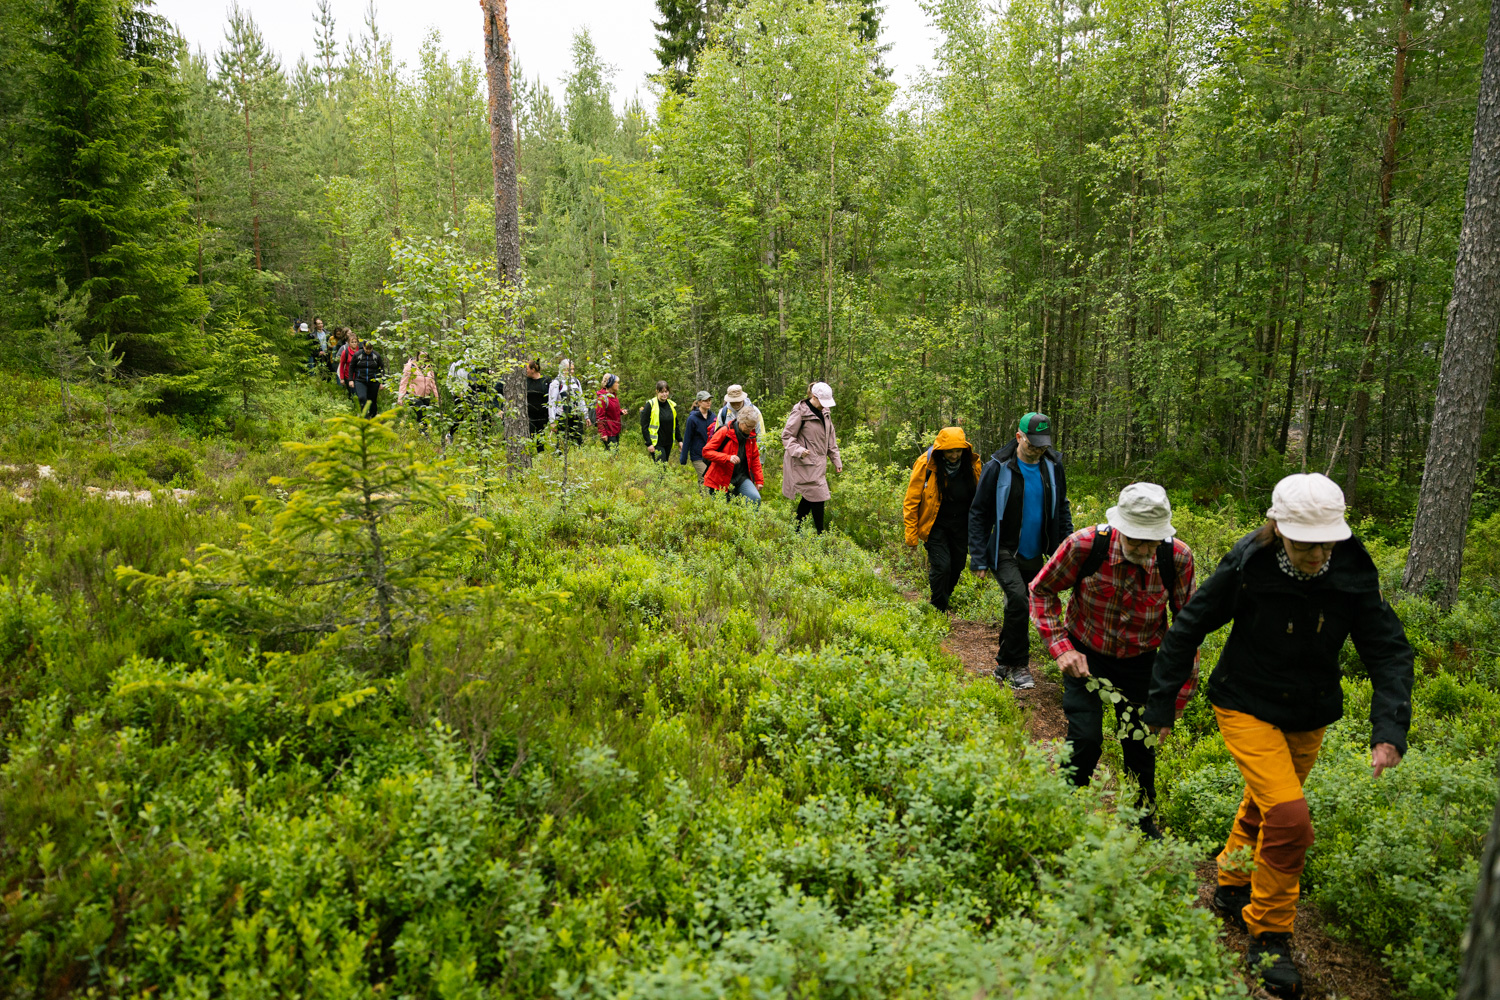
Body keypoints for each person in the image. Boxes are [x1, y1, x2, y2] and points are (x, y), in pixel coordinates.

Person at [1144, 473, 1414, 998]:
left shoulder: (1353, 571)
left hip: (1308, 712)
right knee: (1289, 818)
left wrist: (1389, 728)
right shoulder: (1250, 565)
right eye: (1304, 544)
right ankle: (1269, 934)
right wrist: (1160, 703)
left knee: (1267, 805)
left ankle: (1231, 880)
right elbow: (1189, 626)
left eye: (1325, 544)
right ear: (1278, 530)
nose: (1316, 555)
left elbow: (1388, 650)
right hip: (1244, 701)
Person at [1029, 483, 1197, 840]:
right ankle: (1063, 805)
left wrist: (1173, 701)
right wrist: (1062, 648)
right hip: (1085, 655)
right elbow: (1041, 590)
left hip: (1142, 661)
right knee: (1086, 739)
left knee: (1140, 746)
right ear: (1119, 526)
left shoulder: (1177, 558)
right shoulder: (1084, 545)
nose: (1140, 549)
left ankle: (1141, 819)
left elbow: (1186, 632)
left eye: (1149, 541)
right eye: (1133, 539)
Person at [968, 411, 1073, 691]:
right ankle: (1019, 666)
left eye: (1043, 445)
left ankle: (1003, 662)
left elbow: (1061, 507)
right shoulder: (997, 467)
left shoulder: (1052, 466)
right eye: (1032, 444)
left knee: (1022, 607)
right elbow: (979, 513)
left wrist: (1067, 546)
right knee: (1018, 600)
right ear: (1019, 437)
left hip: (1036, 551)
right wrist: (978, 558)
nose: (1038, 450)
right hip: (1004, 549)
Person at [903, 427, 982, 612]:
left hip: (962, 525)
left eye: (958, 450)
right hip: (935, 525)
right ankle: (938, 608)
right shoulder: (926, 464)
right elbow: (911, 500)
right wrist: (911, 536)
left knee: (957, 565)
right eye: (950, 451)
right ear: (941, 450)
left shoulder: (972, 465)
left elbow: (982, 498)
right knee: (942, 566)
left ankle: (943, 598)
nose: (954, 455)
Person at [781, 382, 842, 534]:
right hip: (803, 462)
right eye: (822, 401)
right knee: (818, 495)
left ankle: (796, 530)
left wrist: (836, 459)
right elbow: (787, 436)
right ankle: (821, 534)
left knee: (810, 497)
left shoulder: (825, 412)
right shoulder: (800, 412)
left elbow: (831, 439)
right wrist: (799, 450)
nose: (824, 405)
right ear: (814, 397)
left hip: (818, 463)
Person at [702, 405, 765, 506]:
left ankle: (750, 521)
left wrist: (759, 480)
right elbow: (706, 452)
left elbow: (754, 458)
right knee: (722, 510)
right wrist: (727, 457)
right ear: (741, 421)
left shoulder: (751, 436)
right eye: (748, 426)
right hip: (720, 478)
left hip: (741, 478)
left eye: (752, 426)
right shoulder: (725, 431)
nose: (750, 429)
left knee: (755, 498)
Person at [397, 350, 441, 430]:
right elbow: (403, 382)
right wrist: (400, 397)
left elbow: (433, 383)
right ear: (417, 356)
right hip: (412, 395)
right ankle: (424, 433)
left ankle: (423, 434)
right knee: (421, 412)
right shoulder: (410, 366)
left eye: (425, 356)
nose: (423, 358)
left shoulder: (429, 367)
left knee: (425, 416)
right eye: (422, 356)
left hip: (425, 396)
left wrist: (437, 397)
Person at [549, 359, 587, 446]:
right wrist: (552, 421)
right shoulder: (556, 383)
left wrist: (586, 415)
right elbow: (551, 403)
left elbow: (581, 399)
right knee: (562, 443)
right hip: (562, 418)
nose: (572, 371)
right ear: (563, 369)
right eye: (570, 369)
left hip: (576, 417)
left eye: (573, 369)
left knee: (578, 443)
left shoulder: (576, 382)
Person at [640, 380, 680, 463]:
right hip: (656, 443)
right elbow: (644, 425)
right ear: (657, 391)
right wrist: (649, 443)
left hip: (668, 442)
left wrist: (679, 440)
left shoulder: (671, 405)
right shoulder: (650, 405)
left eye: (666, 391)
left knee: (664, 465)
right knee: (661, 468)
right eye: (662, 392)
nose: (664, 394)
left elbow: (676, 425)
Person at [680, 390, 715, 477]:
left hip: (711, 454)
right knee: (705, 477)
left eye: (709, 400)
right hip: (698, 455)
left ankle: (702, 491)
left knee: (706, 480)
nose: (708, 403)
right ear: (699, 402)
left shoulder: (713, 417)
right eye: (705, 401)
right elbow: (687, 438)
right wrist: (683, 458)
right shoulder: (692, 419)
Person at [349, 338, 386, 417]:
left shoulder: (376, 356)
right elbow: (351, 367)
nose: (368, 351)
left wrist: (382, 382)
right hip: (360, 380)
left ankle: (373, 416)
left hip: (373, 381)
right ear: (363, 346)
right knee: (362, 398)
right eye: (366, 349)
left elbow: (382, 368)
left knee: (372, 400)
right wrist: (350, 380)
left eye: (370, 349)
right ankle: (364, 416)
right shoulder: (357, 355)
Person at [596, 375, 623, 450]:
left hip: (615, 430)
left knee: (614, 454)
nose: (618, 384)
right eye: (616, 382)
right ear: (610, 384)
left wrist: (621, 412)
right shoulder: (602, 398)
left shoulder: (613, 396)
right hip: (608, 432)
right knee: (612, 455)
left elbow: (611, 410)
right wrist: (603, 433)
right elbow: (599, 418)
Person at [525, 360, 550, 441]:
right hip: (529, 415)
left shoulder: (546, 380)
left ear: (533, 370)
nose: (526, 371)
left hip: (543, 415)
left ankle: (541, 453)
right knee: (529, 436)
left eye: (527, 369)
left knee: (541, 438)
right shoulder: (525, 381)